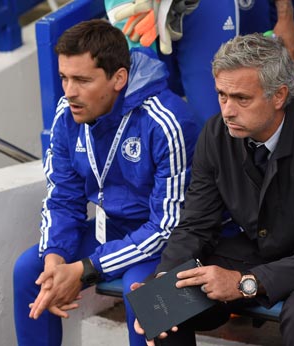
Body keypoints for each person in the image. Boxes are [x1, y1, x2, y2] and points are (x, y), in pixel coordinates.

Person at [134, 33, 294, 345]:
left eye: (242, 98)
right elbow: (196, 224)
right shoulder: (216, 133)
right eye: (222, 95)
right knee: (161, 301)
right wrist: (166, 277)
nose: (228, 110)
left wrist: (248, 282)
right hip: (254, 254)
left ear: (279, 95)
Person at [13, 19, 200, 346]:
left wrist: (86, 268)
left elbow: (168, 227)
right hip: (109, 231)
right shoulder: (66, 114)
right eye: (64, 78)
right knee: (32, 272)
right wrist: (56, 260)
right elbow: (62, 199)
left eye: (82, 80)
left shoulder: (166, 121)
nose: (69, 92)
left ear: (119, 79)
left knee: (143, 294)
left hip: (170, 244)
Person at [105, 0, 294, 123]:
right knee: (146, 114)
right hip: (142, 10)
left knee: (222, 113)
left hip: (209, 9)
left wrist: (285, 14)